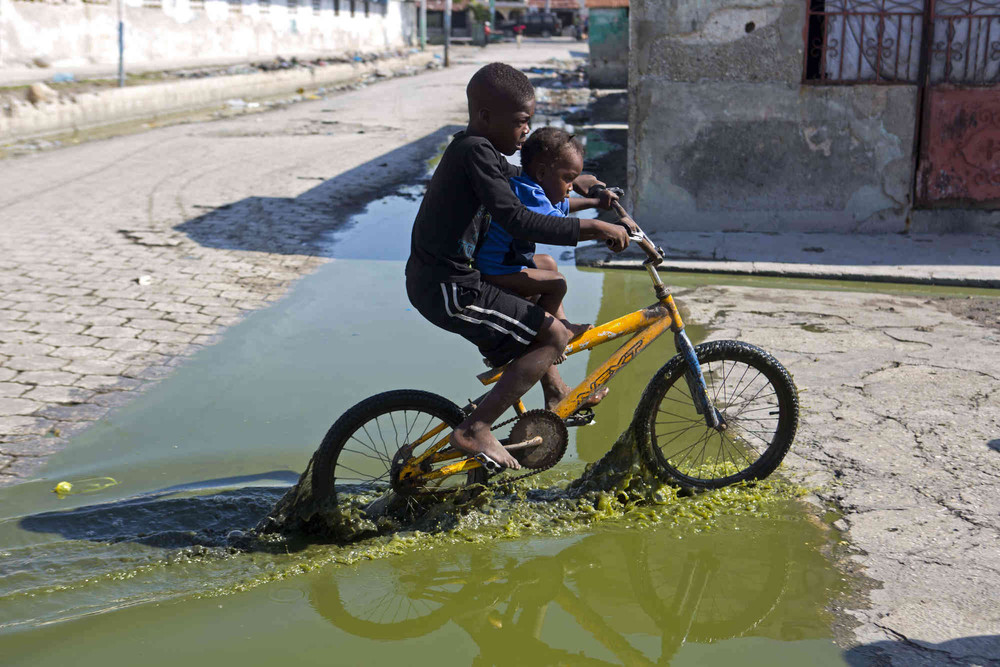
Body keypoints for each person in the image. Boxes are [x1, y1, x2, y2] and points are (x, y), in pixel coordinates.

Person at [405, 62, 632, 470]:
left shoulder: (482, 153)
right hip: (451, 287)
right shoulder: (473, 152)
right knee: (553, 335)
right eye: (521, 122)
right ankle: (475, 428)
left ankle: (557, 394)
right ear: (485, 117)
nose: (526, 132)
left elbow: (532, 179)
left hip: (452, 281)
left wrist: (583, 185)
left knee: (541, 301)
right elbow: (517, 217)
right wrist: (595, 228)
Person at [474, 126, 616, 392]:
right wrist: (603, 229)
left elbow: (563, 205)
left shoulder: (531, 188)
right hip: (498, 271)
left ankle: (561, 324)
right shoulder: (529, 194)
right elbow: (554, 223)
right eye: (567, 179)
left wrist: (597, 204)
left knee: (548, 264)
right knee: (556, 283)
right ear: (541, 174)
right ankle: (551, 336)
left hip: (506, 262)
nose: (571, 187)